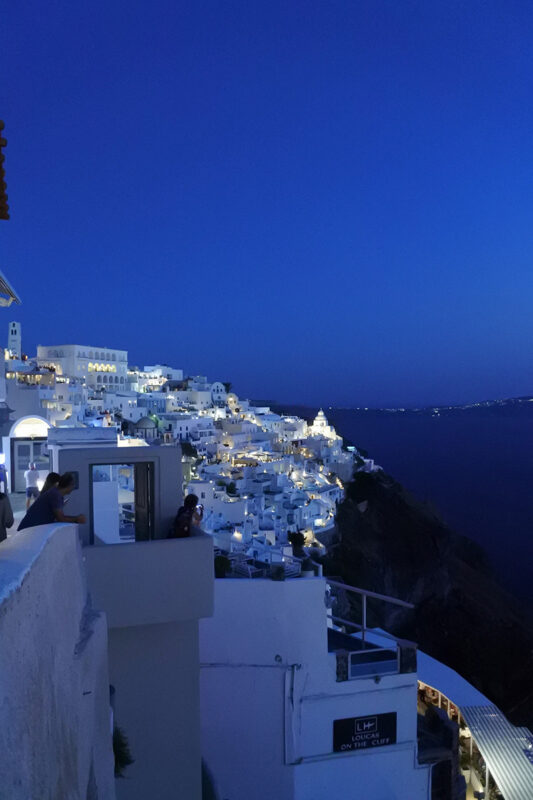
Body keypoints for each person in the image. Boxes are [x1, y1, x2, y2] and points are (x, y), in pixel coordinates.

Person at [18, 472, 86, 532]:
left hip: (30, 531)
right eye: (73, 485)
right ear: (69, 485)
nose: (74, 487)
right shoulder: (55, 494)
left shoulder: (56, 494)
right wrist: (77, 518)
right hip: (26, 532)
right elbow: (61, 519)